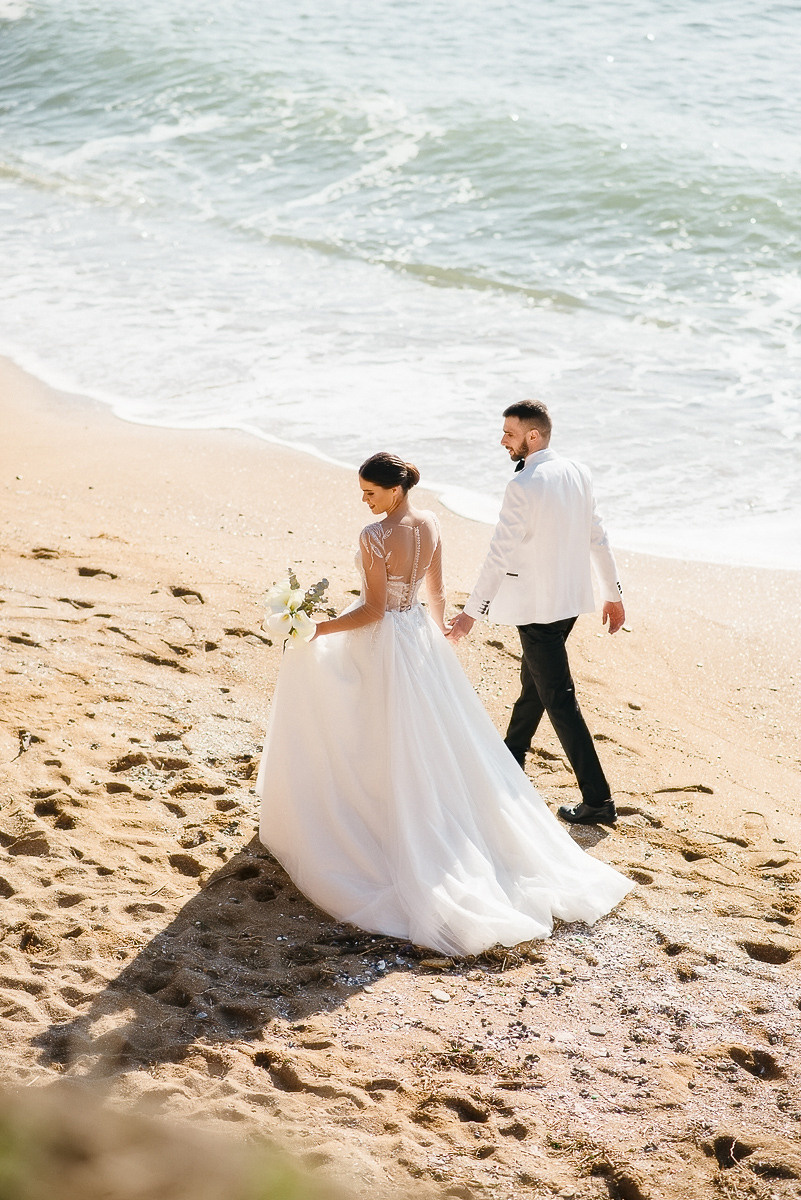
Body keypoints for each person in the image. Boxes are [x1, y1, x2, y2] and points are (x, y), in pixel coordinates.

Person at [255, 451, 631, 957]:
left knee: (365, 726)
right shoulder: (430, 522)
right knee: (429, 739)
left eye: (370, 493)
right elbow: (435, 591)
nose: (364, 501)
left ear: (394, 491)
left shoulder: (374, 537)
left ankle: (372, 817)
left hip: (385, 640)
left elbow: (371, 609)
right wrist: (438, 640)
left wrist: (312, 630)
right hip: (417, 638)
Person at [447, 401, 625, 827]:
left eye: (509, 433)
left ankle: (598, 800)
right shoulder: (578, 471)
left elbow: (499, 553)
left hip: (538, 609)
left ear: (533, 436)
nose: (502, 440)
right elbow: (597, 536)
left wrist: (472, 611)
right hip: (569, 604)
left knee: (558, 698)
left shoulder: (523, 485)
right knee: (535, 684)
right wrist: (612, 593)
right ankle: (512, 758)